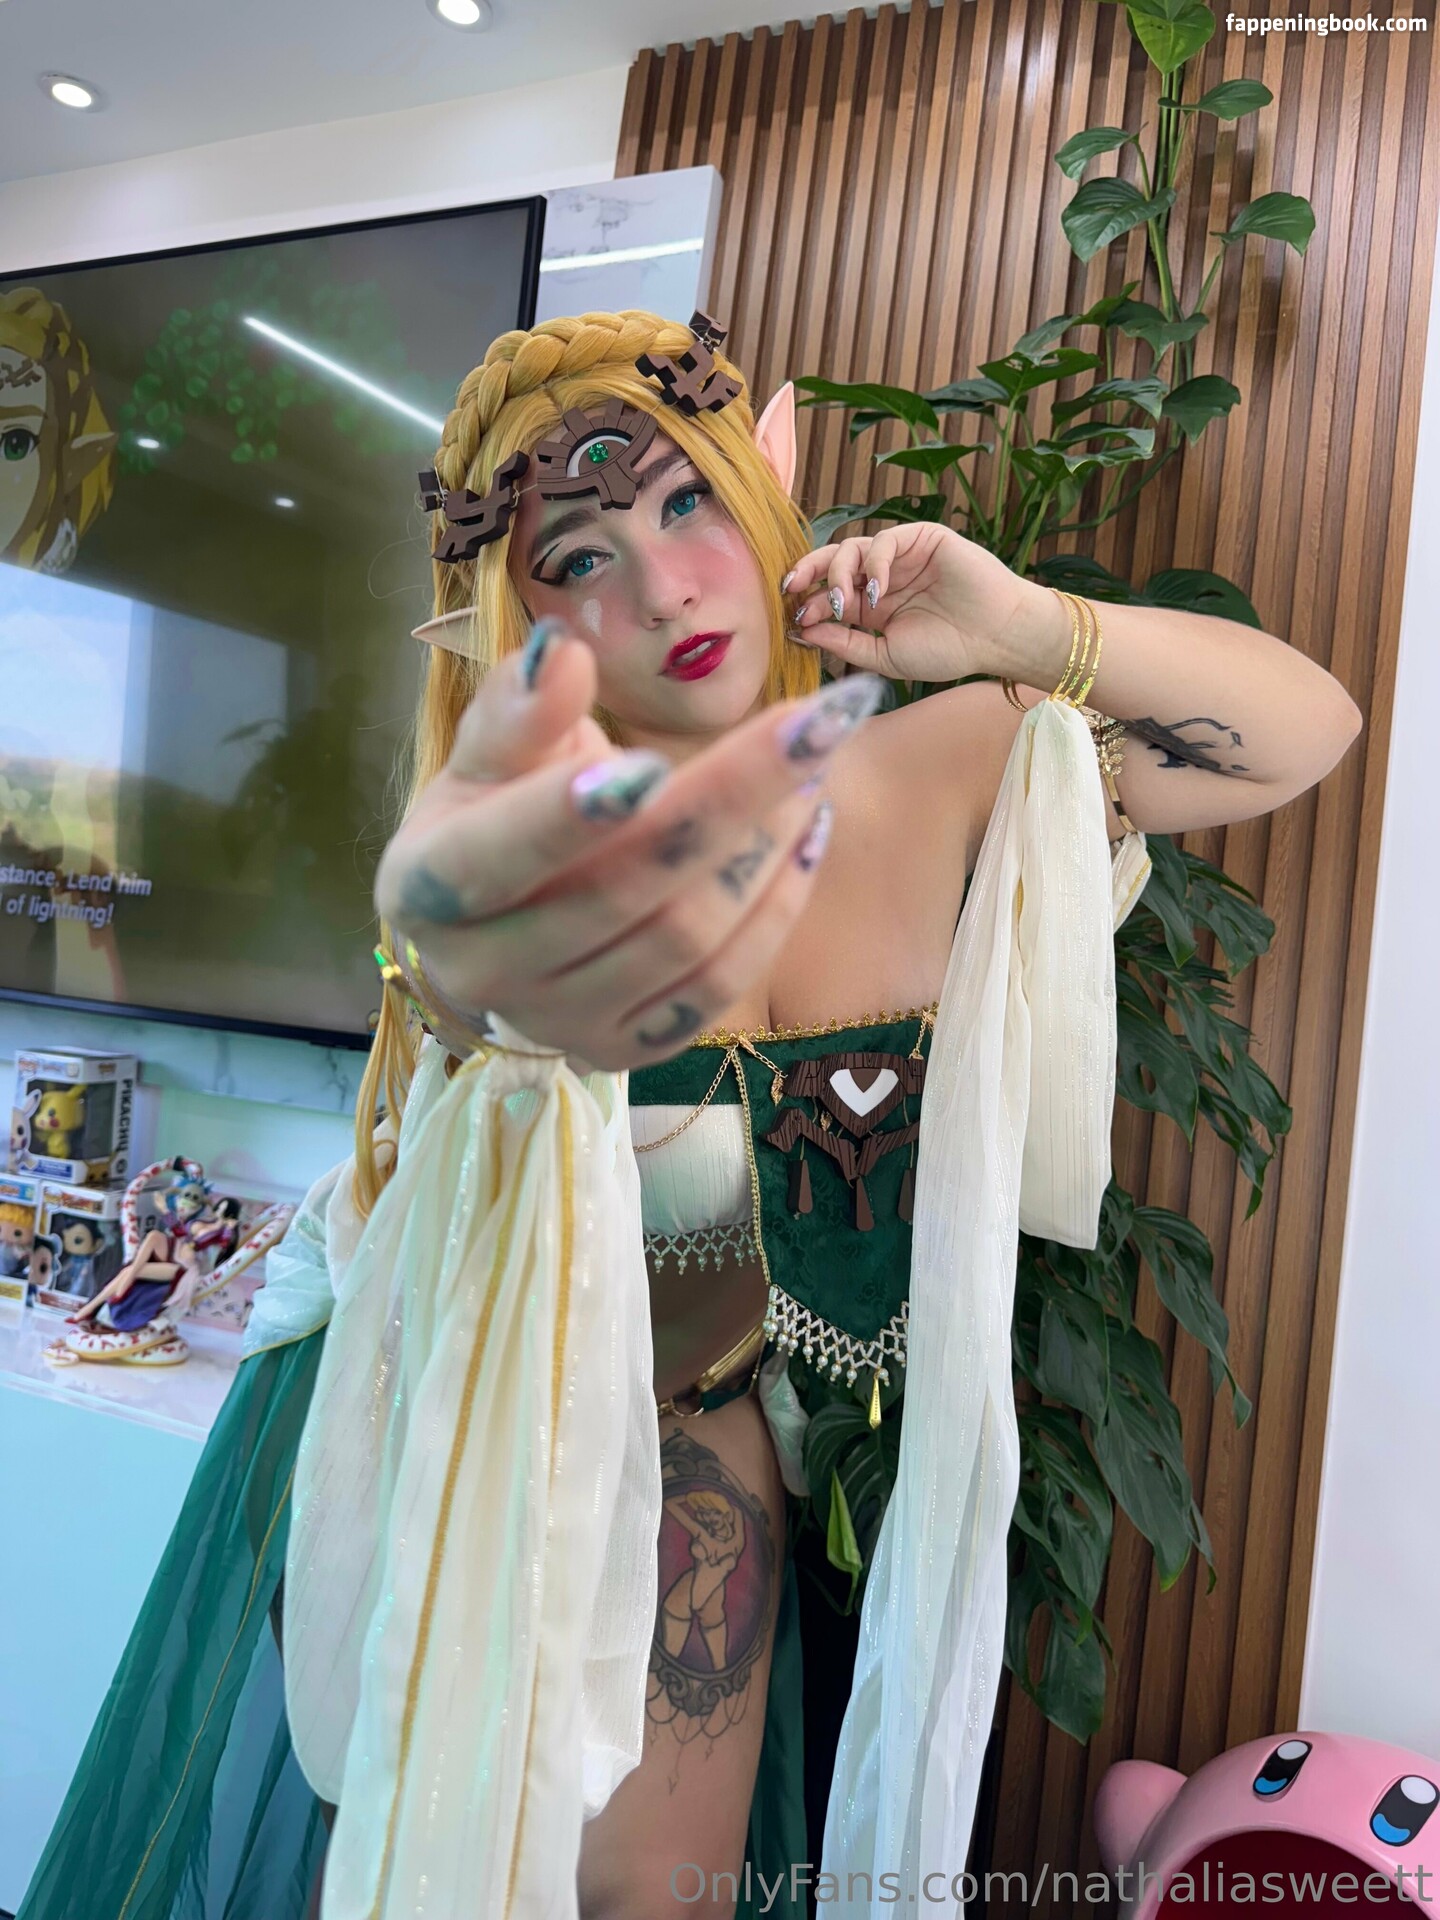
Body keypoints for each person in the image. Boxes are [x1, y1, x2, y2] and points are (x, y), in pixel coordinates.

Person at [17, 308, 1361, 1920]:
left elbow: (1304, 733)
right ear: (516, 622)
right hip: (534, 1473)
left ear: (761, 484)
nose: (662, 588)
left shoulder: (946, 761)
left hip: (791, 1500)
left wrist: (1023, 623)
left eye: (685, 504)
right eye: (579, 556)